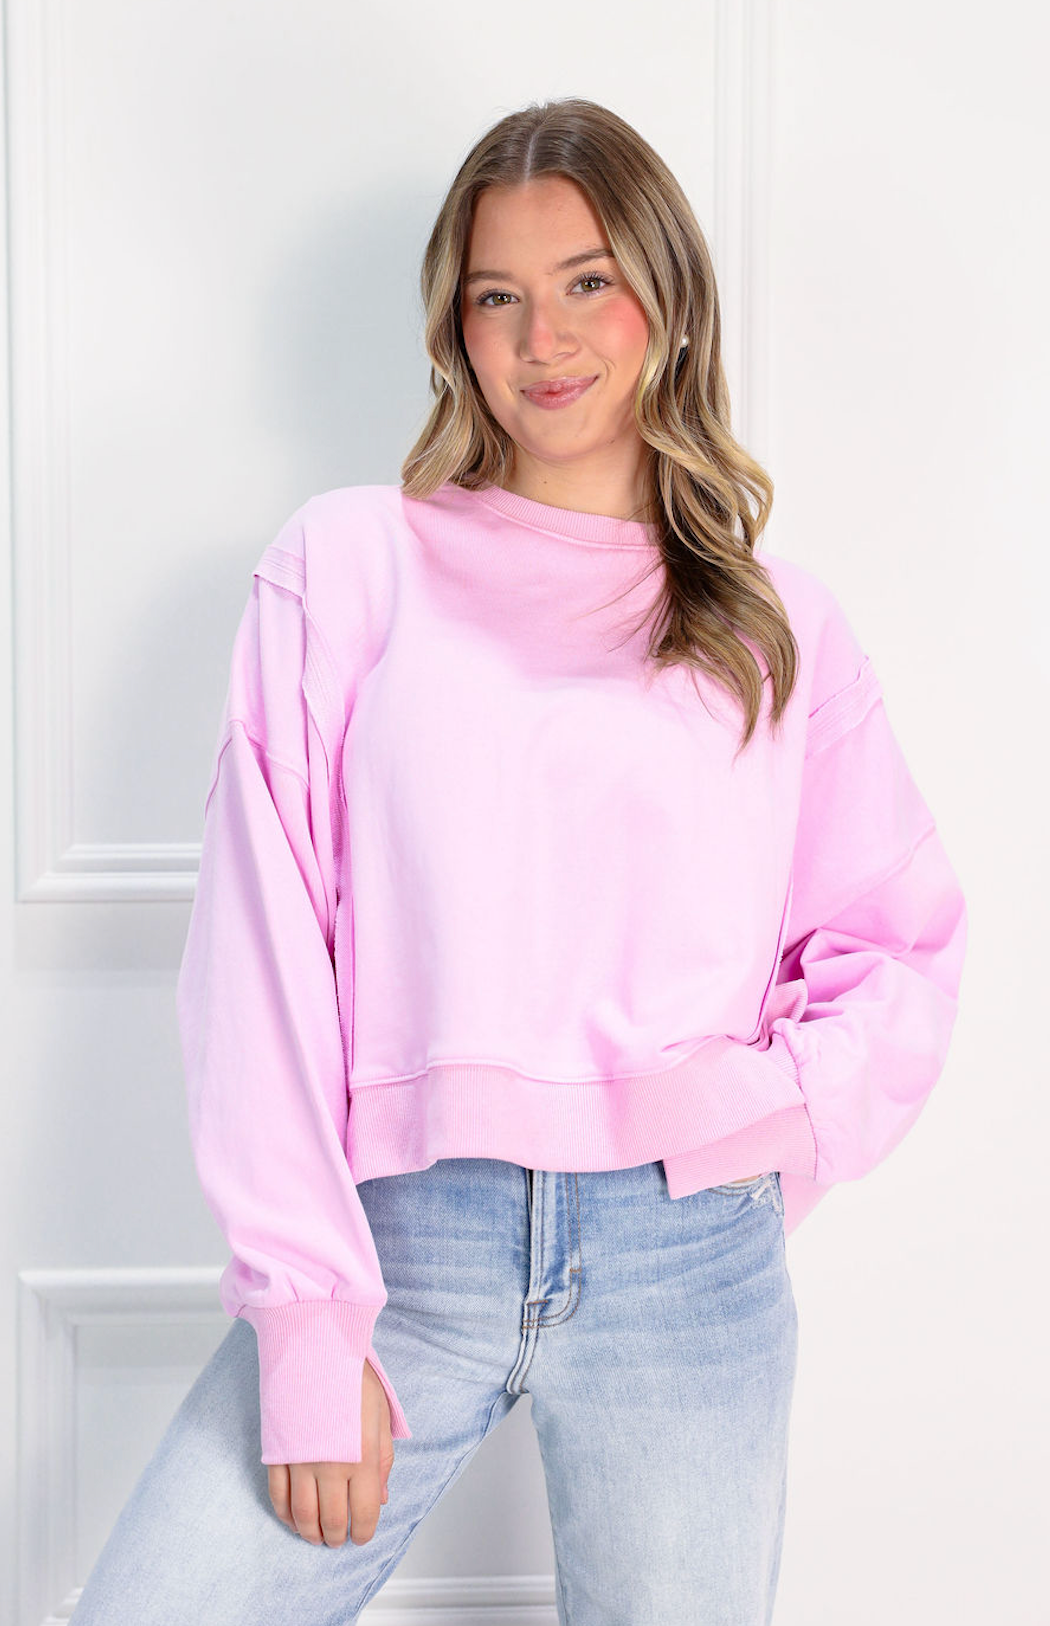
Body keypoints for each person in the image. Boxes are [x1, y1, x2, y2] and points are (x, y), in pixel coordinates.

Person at [71, 96, 967, 1625]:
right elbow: (260, 951)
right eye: (497, 295)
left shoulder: (773, 625)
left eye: (585, 282)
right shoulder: (350, 566)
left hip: (685, 1256)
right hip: (397, 1242)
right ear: (455, 328)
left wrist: (757, 1115)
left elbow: (895, 942)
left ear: (665, 300)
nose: (541, 338)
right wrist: (307, 1320)